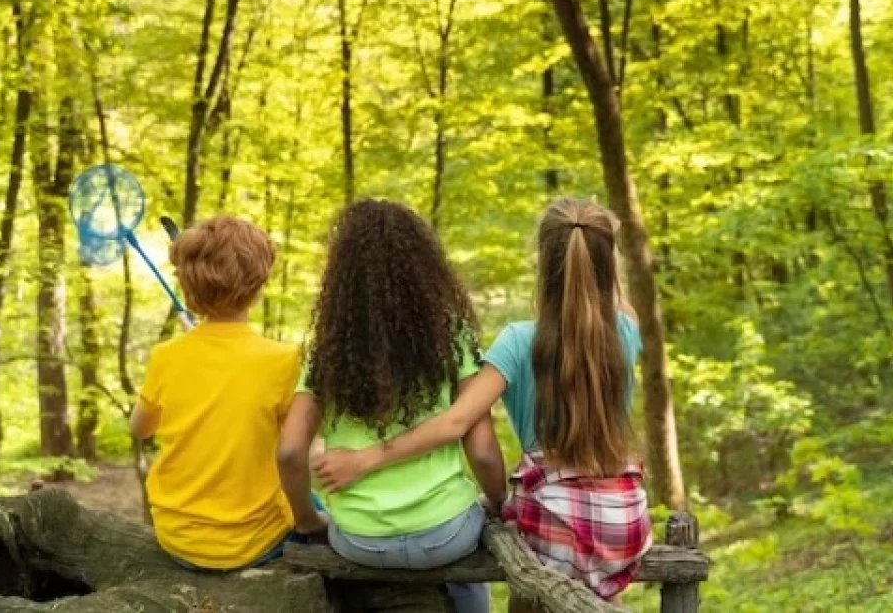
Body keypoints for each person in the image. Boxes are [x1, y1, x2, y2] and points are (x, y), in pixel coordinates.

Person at [313, 198, 652, 604]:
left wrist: (366, 458)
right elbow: (610, 297)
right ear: (606, 263)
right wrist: (600, 257)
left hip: (554, 515)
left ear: (543, 264)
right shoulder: (627, 332)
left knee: (534, 589)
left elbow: (456, 422)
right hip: (625, 516)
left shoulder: (518, 341)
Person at [278, 199, 506, 613]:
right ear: (423, 268)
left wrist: (308, 522)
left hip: (359, 539)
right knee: (471, 573)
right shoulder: (451, 337)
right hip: (446, 533)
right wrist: (499, 502)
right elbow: (485, 451)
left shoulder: (326, 353)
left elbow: (291, 451)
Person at [129, 216, 322, 570]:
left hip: (177, 538)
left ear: (187, 286)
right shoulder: (283, 360)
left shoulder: (166, 356)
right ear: (258, 284)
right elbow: (295, 445)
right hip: (253, 543)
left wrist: (195, 349)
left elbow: (139, 429)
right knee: (320, 509)